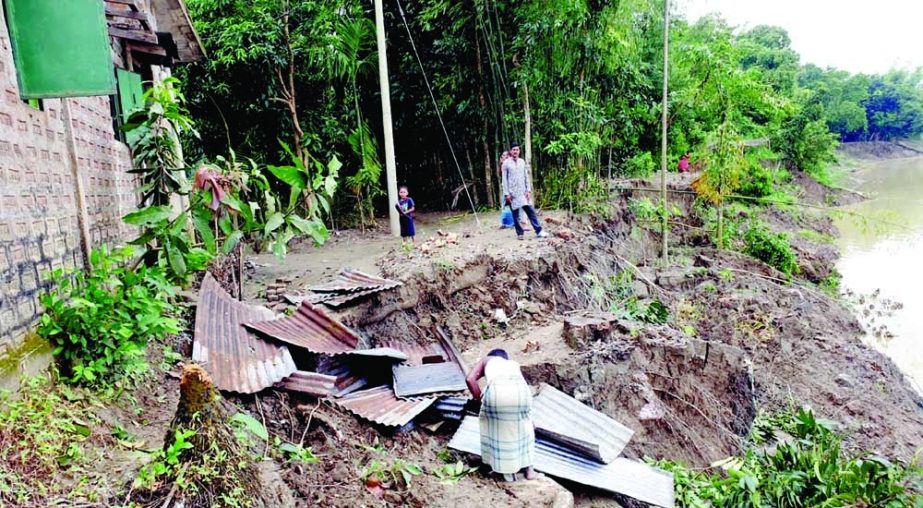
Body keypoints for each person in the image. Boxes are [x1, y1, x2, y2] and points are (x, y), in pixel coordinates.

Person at [466, 348, 538, 481]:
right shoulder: (512, 365)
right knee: (525, 426)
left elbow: (470, 379)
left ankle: (498, 468)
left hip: (498, 393)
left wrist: (480, 399)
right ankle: (529, 470)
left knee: (493, 427)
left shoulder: (486, 360)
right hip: (522, 393)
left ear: (491, 356)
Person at [501, 142, 547, 240]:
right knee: (515, 214)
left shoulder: (522, 162)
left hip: (523, 192)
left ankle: (539, 230)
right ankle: (520, 233)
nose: (515, 152)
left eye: (517, 150)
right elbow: (504, 180)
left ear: (519, 151)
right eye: (514, 150)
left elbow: (526, 176)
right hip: (512, 193)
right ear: (510, 151)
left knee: (530, 211)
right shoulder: (506, 163)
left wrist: (528, 190)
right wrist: (506, 194)